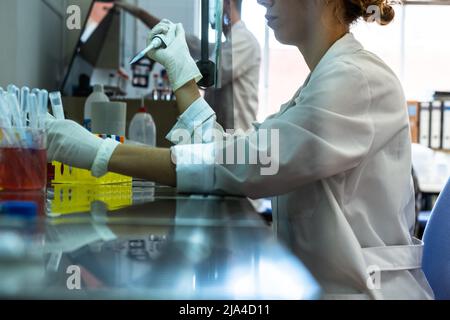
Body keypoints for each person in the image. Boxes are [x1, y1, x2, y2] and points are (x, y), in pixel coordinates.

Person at [47, 0, 434, 299]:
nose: (263, 1)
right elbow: (245, 152)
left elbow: (247, 163)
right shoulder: (327, 78)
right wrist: (182, 75)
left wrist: (101, 153)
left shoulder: (357, 79)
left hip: (364, 292)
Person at [115, 0, 261, 131]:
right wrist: (140, 14)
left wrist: (171, 62)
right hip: (223, 137)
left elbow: (209, 75)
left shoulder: (244, 40)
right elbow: (191, 43)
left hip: (238, 138)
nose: (211, 10)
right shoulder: (225, 45)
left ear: (228, 3)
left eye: (215, 3)